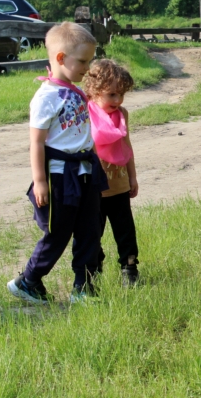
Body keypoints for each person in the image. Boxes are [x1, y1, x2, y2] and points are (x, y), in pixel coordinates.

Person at [8, 22, 107, 305]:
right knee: (58, 232)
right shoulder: (46, 97)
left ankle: (84, 288)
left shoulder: (74, 90)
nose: (87, 68)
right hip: (59, 177)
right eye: (83, 61)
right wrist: (39, 181)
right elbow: (37, 142)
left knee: (90, 231)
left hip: (85, 171)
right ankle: (28, 281)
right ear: (61, 58)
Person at [84, 59, 141, 286]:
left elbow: (127, 147)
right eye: (112, 95)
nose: (118, 100)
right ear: (94, 90)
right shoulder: (85, 113)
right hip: (94, 188)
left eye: (122, 95)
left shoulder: (122, 114)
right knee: (92, 233)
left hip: (119, 185)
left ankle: (129, 268)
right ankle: (93, 270)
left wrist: (133, 177)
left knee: (125, 231)